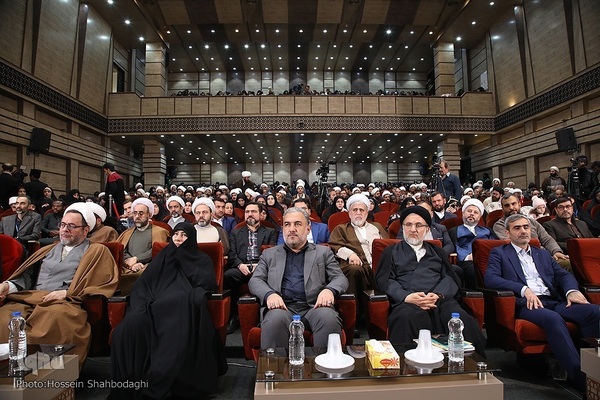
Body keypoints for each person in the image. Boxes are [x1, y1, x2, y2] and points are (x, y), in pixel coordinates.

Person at [111, 222, 227, 399]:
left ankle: (164, 379)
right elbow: (145, 283)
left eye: (184, 235)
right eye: (176, 234)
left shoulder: (201, 259)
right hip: (152, 302)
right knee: (127, 329)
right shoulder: (163, 256)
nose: (179, 239)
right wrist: (144, 302)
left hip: (179, 305)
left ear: (191, 238)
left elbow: (207, 283)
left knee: (174, 331)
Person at [485, 213, 600, 390]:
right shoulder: (499, 253)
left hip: (554, 300)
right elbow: (491, 279)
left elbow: (563, 275)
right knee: (553, 319)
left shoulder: (542, 253)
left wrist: (571, 291)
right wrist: (523, 289)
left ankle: (591, 369)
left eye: (526, 227)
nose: (523, 231)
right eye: (517, 228)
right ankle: (581, 379)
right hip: (528, 304)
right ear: (507, 233)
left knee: (594, 312)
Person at [0, 206, 119, 367]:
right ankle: (8, 370)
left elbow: (100, 281)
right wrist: (8, 286)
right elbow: (27, 277)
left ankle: (46, 375)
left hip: (64, 302)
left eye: (72, 226)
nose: (65, 229)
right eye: (63, 225)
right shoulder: (47, 249)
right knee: (4, 317)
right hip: (29, 298)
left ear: (85, 230)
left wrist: (66, 293)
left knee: (53, 320)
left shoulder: (97, 250)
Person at [374, 206, 485, 355]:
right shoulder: (391, 251)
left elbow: (449, 277)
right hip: (408, 301)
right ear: (403, 228)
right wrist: (406, 297)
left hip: (440, 301)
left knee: (462, 319)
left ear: (427, 229)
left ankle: (472, 365)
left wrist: (438, 294)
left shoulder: (437, 251)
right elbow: (386, 280)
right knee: (404, 318)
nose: (413, 229)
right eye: (408, 225)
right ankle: (407, 366)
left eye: (419, 225)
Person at [249, 207, 348, 348]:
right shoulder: (269, 254)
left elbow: (340, 278)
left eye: (297, 224)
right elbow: (255, 280)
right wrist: (269, 294)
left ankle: (324, 363)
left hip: (314, 307)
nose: (292, 229)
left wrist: (329, 290)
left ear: (308, 229)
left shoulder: (323, 253)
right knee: (275, 319)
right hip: (282, 307)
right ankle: (276, 363)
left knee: (328, 318)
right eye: (287, 224)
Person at [329, 194, 388, 318]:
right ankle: (354, 315)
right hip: (358, 265)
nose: (358, 213)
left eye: (362, 210)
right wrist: (350, 254)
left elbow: (387, 245)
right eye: (355, 210)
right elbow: (334, 246)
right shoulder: (341, 228)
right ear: (349, 213)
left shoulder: (376, 227)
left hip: (378, 265)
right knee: (354, 270)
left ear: (367, 212)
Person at [224, 202, 277, 334]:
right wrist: (240, 265)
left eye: (253, 211)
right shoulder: (235, 232)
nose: (250, 214)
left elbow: (272, 252)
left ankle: (265, 316)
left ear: (260, 214)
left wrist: (260, 265)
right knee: (228, 276)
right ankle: (234, 316)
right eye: (247, 212)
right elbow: (232, 253)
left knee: (272, 277)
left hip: (261, 266)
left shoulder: (270, 232)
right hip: (242, 266)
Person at [493, 194, 570, 269]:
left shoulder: (532, 221)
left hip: (547, 255)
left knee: (568, 263)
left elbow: (546, 239)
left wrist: (556, 251)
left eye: (513, 204)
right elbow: (513, 244)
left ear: (519, 204)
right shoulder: (500, 225)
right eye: (507, 205)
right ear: (502, 208)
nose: (511, 207)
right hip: (523, 260)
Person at [116, 198, 170, 294]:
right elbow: (121, 250)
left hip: (148, 267)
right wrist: (130, 263)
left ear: (149, 214)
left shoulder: (160, 231)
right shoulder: (127, 233)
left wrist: (137, 259)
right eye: (135, 213)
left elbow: (158, 251)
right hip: (128, 267)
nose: (137, 216)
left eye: (141, 213)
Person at [448, 199, 495, 289]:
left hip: (487, 259)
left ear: (479, 217)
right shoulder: (454, 231)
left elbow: (494, 245)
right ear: (463, 213)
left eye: (475, 212)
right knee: (472, 268)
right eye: (469, 211)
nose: (472, 214)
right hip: (466, 261)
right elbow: (454, 246)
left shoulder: (487, 231)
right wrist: (467, 257)